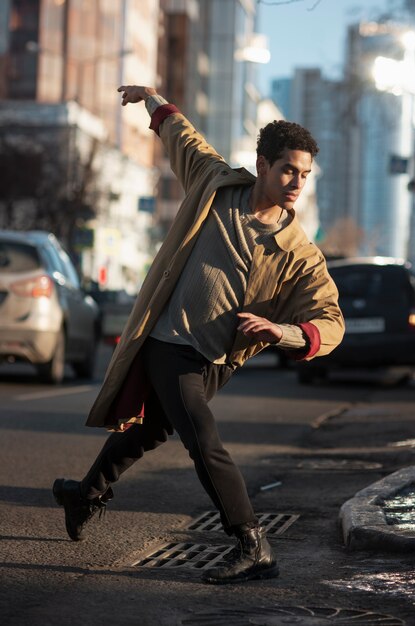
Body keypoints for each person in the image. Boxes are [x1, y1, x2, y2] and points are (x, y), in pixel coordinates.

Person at [53, 85, 344, 585]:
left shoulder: (299, 251)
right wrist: (153, 100)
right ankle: (253, 543)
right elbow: (184, 139)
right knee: (204, 441)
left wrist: (284, 331)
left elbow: (329, 319)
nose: (297, 182)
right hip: (168, 341)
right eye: (288, 170)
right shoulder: (214, 184)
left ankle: (85, 494)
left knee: (151, 430)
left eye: (305, 174)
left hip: (215, 362)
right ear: (262, 165)